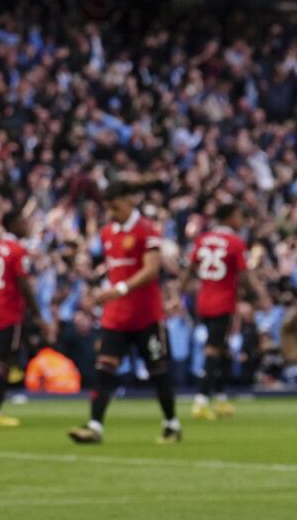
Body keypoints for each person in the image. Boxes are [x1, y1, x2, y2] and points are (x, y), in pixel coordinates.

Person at [69, 181, 181, 445]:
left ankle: (172, 424)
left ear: (129, 201)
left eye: (116, 207)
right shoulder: (108, 233)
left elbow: (151, 270)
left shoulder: (147, 230)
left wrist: (118, 288)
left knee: (158, 370)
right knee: (104, 369)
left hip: (146, 316)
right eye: (108, 208)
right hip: (116, 317)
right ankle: (95, 426)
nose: (112, 213)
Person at [184, 203, 266, 420]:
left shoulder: (202, 239)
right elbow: (245, 274)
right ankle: (201, 400)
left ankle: (219, 398)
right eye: (238, 216)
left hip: (203, 301)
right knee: (213, 349)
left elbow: (190, 269)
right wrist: (259, 297)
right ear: (229, 218)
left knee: (221, 348)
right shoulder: (235, 242)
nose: (241, 221)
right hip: (223, 302)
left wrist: (181, 290)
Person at [0, 209, 41, 427]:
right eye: (23, 222)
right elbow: (23, 284)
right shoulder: (16, 250)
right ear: (12, 225)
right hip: (8, 310)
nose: (27, 226)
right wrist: (37, 312)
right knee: (6, 361)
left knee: (1, 359)